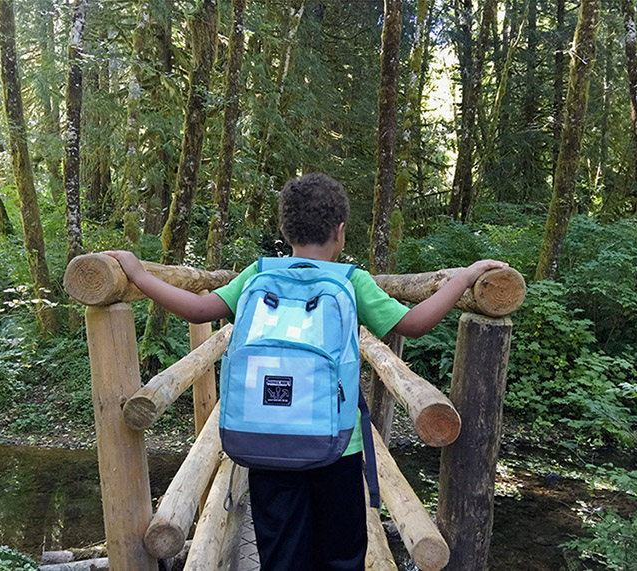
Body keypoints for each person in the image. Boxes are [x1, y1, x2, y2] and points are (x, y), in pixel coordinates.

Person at [105, 173, 507, 571]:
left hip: (266, 442)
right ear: (341, 232)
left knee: (281, 555)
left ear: (284, 229)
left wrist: (140, 275)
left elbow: (197, 309)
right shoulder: (351, 281)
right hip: (336, 447)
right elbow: (414, 324)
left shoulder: (258, 273)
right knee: (340, 554)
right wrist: (464, 277)